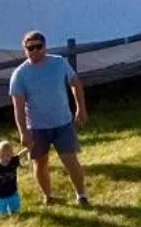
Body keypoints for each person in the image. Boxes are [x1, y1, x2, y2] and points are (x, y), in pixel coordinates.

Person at [8, 31, 91, 207]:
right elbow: (18, 107)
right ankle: (48, 195)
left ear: (45, 47)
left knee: (70, 160)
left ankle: (81, 195)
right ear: (25, 50)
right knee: (40, 163)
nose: (35, 51)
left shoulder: (59, 63)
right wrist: (24, 133)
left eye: (39, 46)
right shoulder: (20, 74)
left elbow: (75, 83)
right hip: (37, 127)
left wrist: (81, 109)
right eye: (31, 48)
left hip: (63, 123)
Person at [0, 138, 23, 217]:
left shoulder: (13, 161)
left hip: (13, 190)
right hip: (1, 193)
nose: (6, 158)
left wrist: (30, 147)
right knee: (1, 210)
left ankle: (14, 213)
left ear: (12, 154)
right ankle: (2, 215)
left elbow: (21, 154)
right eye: (2, 156)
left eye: (8, 155)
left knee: (15, 205)